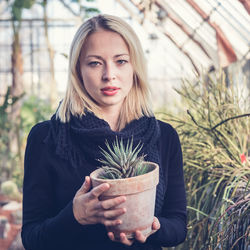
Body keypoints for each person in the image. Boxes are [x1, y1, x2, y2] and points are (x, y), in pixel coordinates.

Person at [21, 14, 187, 250]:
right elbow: (31, 238)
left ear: (134, 67)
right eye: (95, 63)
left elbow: (179, 224)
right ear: (78, 70)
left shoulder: (164, 136)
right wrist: (74, 216)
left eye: (120, 61)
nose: (109, 75)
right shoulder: (47, 138)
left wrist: (154, 227)